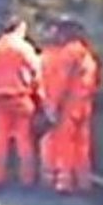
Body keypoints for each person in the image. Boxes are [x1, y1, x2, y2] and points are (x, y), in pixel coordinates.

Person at [0, 16, 45, 187]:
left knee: (0, 139)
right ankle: (27, 179)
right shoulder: (24, 49)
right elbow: (36, 72)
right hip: (20, 98)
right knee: (23, 139)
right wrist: (40, 96)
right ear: (20, 28)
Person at [53, 19, 101, 194]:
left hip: (69, 104)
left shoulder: (68, 53)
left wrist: (53, 105)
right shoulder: (88, 55)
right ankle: (84, 181)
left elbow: (61, 82)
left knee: (65, 142)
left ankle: (64, 182)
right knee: (82, 145)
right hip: (85, 103)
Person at [37, 20, 67, 187]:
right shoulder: (63, 57)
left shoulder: (41, 59)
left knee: (47, 140)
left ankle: (48, 176)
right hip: (64, 103)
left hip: (46, 101)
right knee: (62, 140)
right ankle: (61, 177)